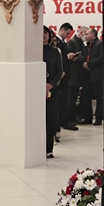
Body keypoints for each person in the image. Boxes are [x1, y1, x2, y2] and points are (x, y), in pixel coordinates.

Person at [79, 26, 104, 126]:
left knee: (100, 98)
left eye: (87, 34)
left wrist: (89, 64)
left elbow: (102, 58)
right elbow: (84, 57)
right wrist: (84, 63)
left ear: (93, 35)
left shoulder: (101, 44)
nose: (85, 35)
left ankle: (99, 118)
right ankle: (87, 117)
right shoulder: (86, 45)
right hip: (87, 75)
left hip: (98, 75)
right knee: (86, 97)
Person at [43, 27, 64, 158]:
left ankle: (48, 149)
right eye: (40, 33)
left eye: (45, 33)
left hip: (51, 90)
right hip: (34, 90)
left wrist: (50, 85)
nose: (43, 35)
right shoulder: (31, 51)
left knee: (50, 118)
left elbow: (59, 71)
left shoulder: (55, 51)